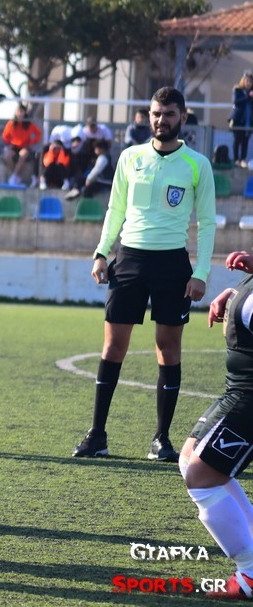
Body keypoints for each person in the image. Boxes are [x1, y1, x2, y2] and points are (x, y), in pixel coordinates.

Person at [73, 87, 217, 461]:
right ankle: (97, 435)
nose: (161, 120)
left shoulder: (197, 164)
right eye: (156, 113)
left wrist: (201, 272)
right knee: (112, 346)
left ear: (182, 117)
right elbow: (115, 209)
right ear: (149, 116)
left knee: (167, 349)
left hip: (172, 265)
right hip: (129, 260)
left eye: (168, 114)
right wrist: (101, 253)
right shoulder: (130, 157)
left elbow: (206, 222)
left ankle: (160, 439)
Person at [180, 249, 253, 600]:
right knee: (189, 458)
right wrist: (238, 295)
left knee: (201, 476)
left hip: (250, 397)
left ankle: (250, 573)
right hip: (236, 388)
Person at [1, 104, 42, 187]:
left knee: (22, 155)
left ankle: (13, 177)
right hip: (13, 146)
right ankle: (16, 176)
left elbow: (38, 133)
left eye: (22, 112)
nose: (20, 114)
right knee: (7, 156)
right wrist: (8, 144)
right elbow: (5, 136)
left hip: (25, 146)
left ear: (25, 113)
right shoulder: (11, 123)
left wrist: (32, 142)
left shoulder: (29, 124)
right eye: (18, 111)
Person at [229, 72, 253, 168]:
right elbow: (236, 102)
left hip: (248, 122)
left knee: (245, 141)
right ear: (243, 81)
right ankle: (236, 159)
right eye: (247, 81)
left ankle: (243, 159)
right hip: (238, 120)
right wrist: (248, 96)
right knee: (237, 140)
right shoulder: (238, 90)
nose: (249, 83)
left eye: (250, 82)